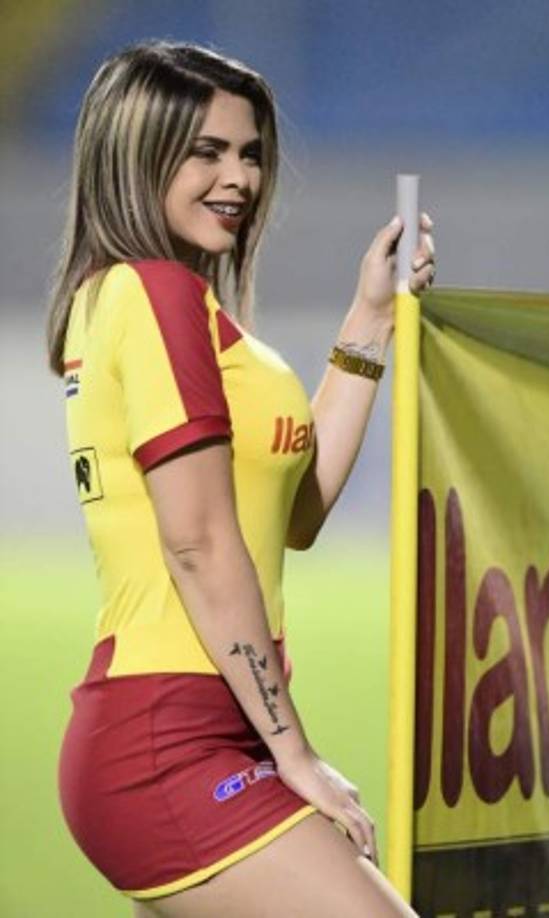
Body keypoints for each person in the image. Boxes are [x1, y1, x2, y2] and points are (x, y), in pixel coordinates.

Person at [47, 40, 435, 918]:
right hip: (166, 742)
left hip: (204, 731)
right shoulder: (153, 296)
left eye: (251, 153)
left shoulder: (153, 302)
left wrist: (370, 318)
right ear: (137, 154)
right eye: (207, 152)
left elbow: (294, 515)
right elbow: (196, 543)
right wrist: (294, 753)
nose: (240, 178)